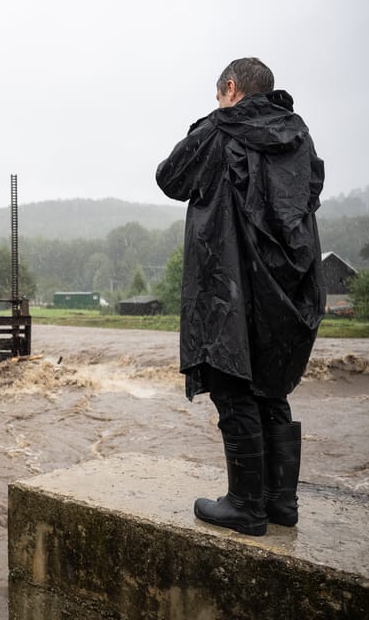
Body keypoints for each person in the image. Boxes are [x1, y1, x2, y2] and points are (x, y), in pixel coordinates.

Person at [155, 57, 325, 536]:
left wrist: (212, 123)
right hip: (287, 287)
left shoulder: (220, 130)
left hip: (229, 283)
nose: (218, 103)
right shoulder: (299, 137)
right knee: (272, 385)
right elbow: (306, 195)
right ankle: (280, 503)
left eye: (219, 95)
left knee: (233, 387)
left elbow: (170, 177)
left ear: (231, 88)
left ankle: (246, 506)